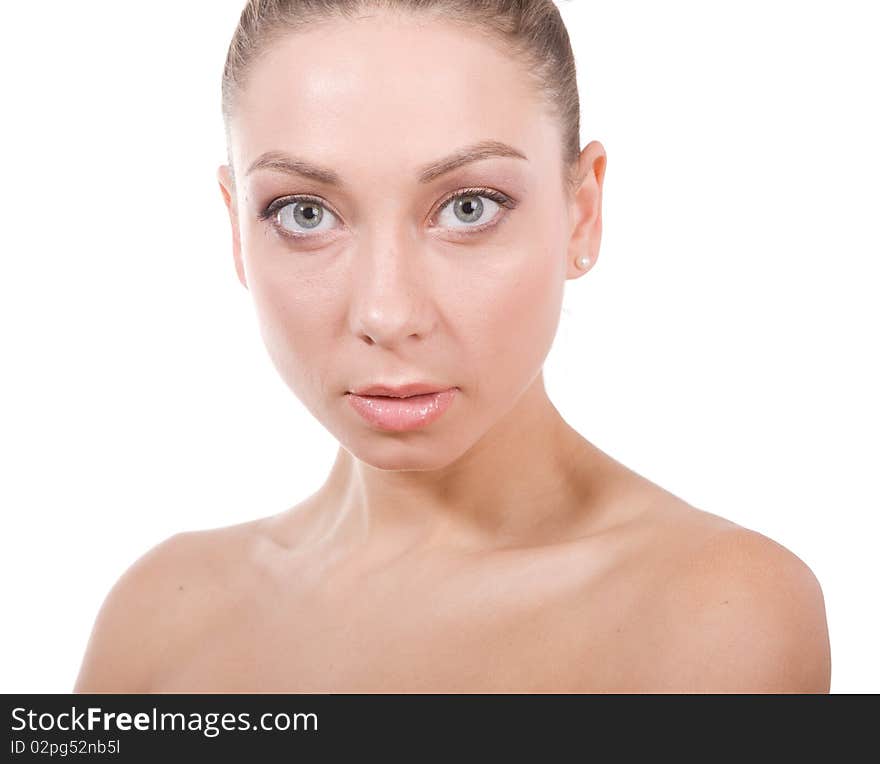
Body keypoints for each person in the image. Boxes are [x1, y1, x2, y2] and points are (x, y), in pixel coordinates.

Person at [74, 0, 831, 693]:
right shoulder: (156, 619)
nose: (387, 312)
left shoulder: (717, 613)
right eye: (304, 213)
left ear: (581, 212)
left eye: (469, 207)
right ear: (237, 228)